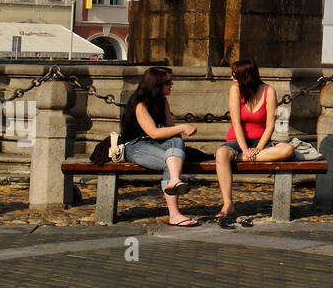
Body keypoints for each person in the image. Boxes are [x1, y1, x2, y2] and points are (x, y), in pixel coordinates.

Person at [214, 60, 294, 222]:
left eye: (235, 75)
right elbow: (236, 123)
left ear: (246, 76)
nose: (231, 78)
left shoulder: (268, 92)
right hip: (237, 140)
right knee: (221, 153)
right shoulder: (235, 91)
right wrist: (244, 149)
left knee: (287, 150)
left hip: (261, 142)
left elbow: (270, 124)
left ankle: (236, 159)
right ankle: (228, 203)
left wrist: (257, 148)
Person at [120, 66, 199, 227]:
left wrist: (179, 144)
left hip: (153, 143)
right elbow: (154, 132)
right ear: (156, 84)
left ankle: (174, 180)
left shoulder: (162, 101)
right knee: (168, 163)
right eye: (168, 82)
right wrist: (183, 128)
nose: (171, 85)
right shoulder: (140, 104)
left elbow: (170, 130)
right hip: (135, 146)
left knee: (176, 142)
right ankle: (174, 215)